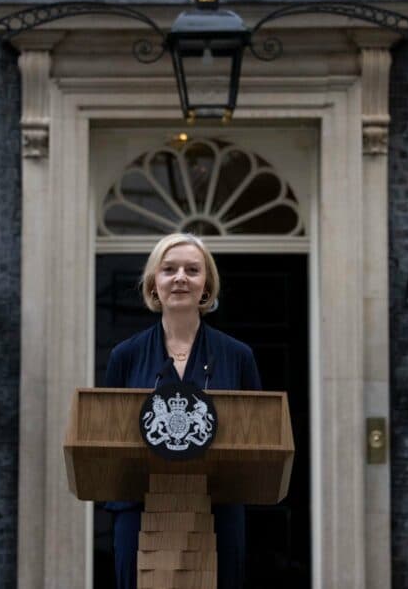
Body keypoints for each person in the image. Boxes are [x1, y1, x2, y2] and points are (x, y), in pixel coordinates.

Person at [104, 232, 261, 589]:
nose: (180, 278)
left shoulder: (238, 357)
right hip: (139, 508)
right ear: (153, 283)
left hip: (218, 509)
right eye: (169, 269)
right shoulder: (124, 356)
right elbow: (109, 440)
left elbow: (258, 437)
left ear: (207, 285)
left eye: (192, 270)